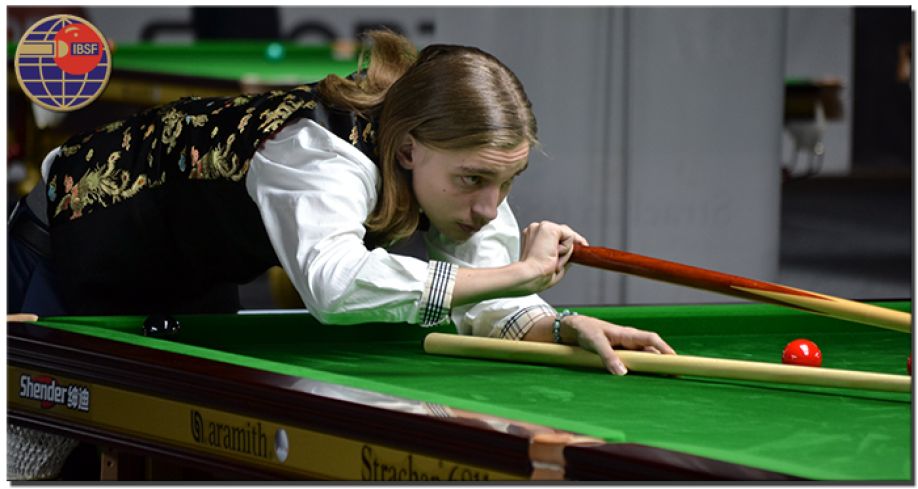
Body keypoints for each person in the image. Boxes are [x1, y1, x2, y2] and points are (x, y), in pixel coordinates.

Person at [11, 30, 675, 375]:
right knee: (29, 459)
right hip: (73, 242)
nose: (489, 206)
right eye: (475, 180)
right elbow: (334, 286)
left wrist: (558, 327)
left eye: (509, 181)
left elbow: (485, 290)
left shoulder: (451, 167)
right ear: (408, 149)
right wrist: (521, 272)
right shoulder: (319, 153)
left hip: (191, 271)